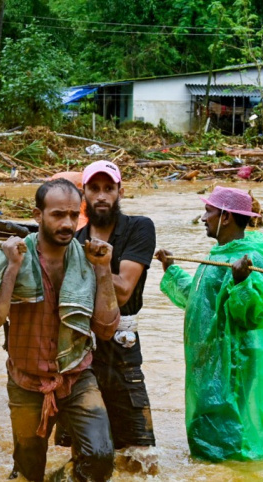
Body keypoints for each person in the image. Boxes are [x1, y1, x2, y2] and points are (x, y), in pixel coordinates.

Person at [0, 178, 119, 482]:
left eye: (73, 215)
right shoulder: (9, 255)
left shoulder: (89, 259)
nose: (67, 224)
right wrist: (13, 268)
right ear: (37, 215)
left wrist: (104, 269)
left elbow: (106, 330)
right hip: (27, 381)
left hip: (76, 375)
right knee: (29, 471)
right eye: (57, 215)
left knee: (101, 458)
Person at [156, 187, 263, 462]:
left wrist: (242, 282)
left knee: (228, 424)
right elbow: (199, 301)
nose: (203, 217)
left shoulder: (252, 260)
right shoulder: (218, 256)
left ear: (226, 217)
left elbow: (255, 315)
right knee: (210, 421)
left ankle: (233, 471)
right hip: (210, 360)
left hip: (234, 360)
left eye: (209, 211)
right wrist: (170, 268)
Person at [66, 161, 157, 469]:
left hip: (122, 347)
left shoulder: (139, 227)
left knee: (141, 456)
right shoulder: (73, 239)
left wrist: (99, 264)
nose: (102, 196)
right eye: (94, 189)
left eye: (109, 188)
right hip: (80, 347)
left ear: (121, 192)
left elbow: (124, 292)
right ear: (84, 194)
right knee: (86, 451)